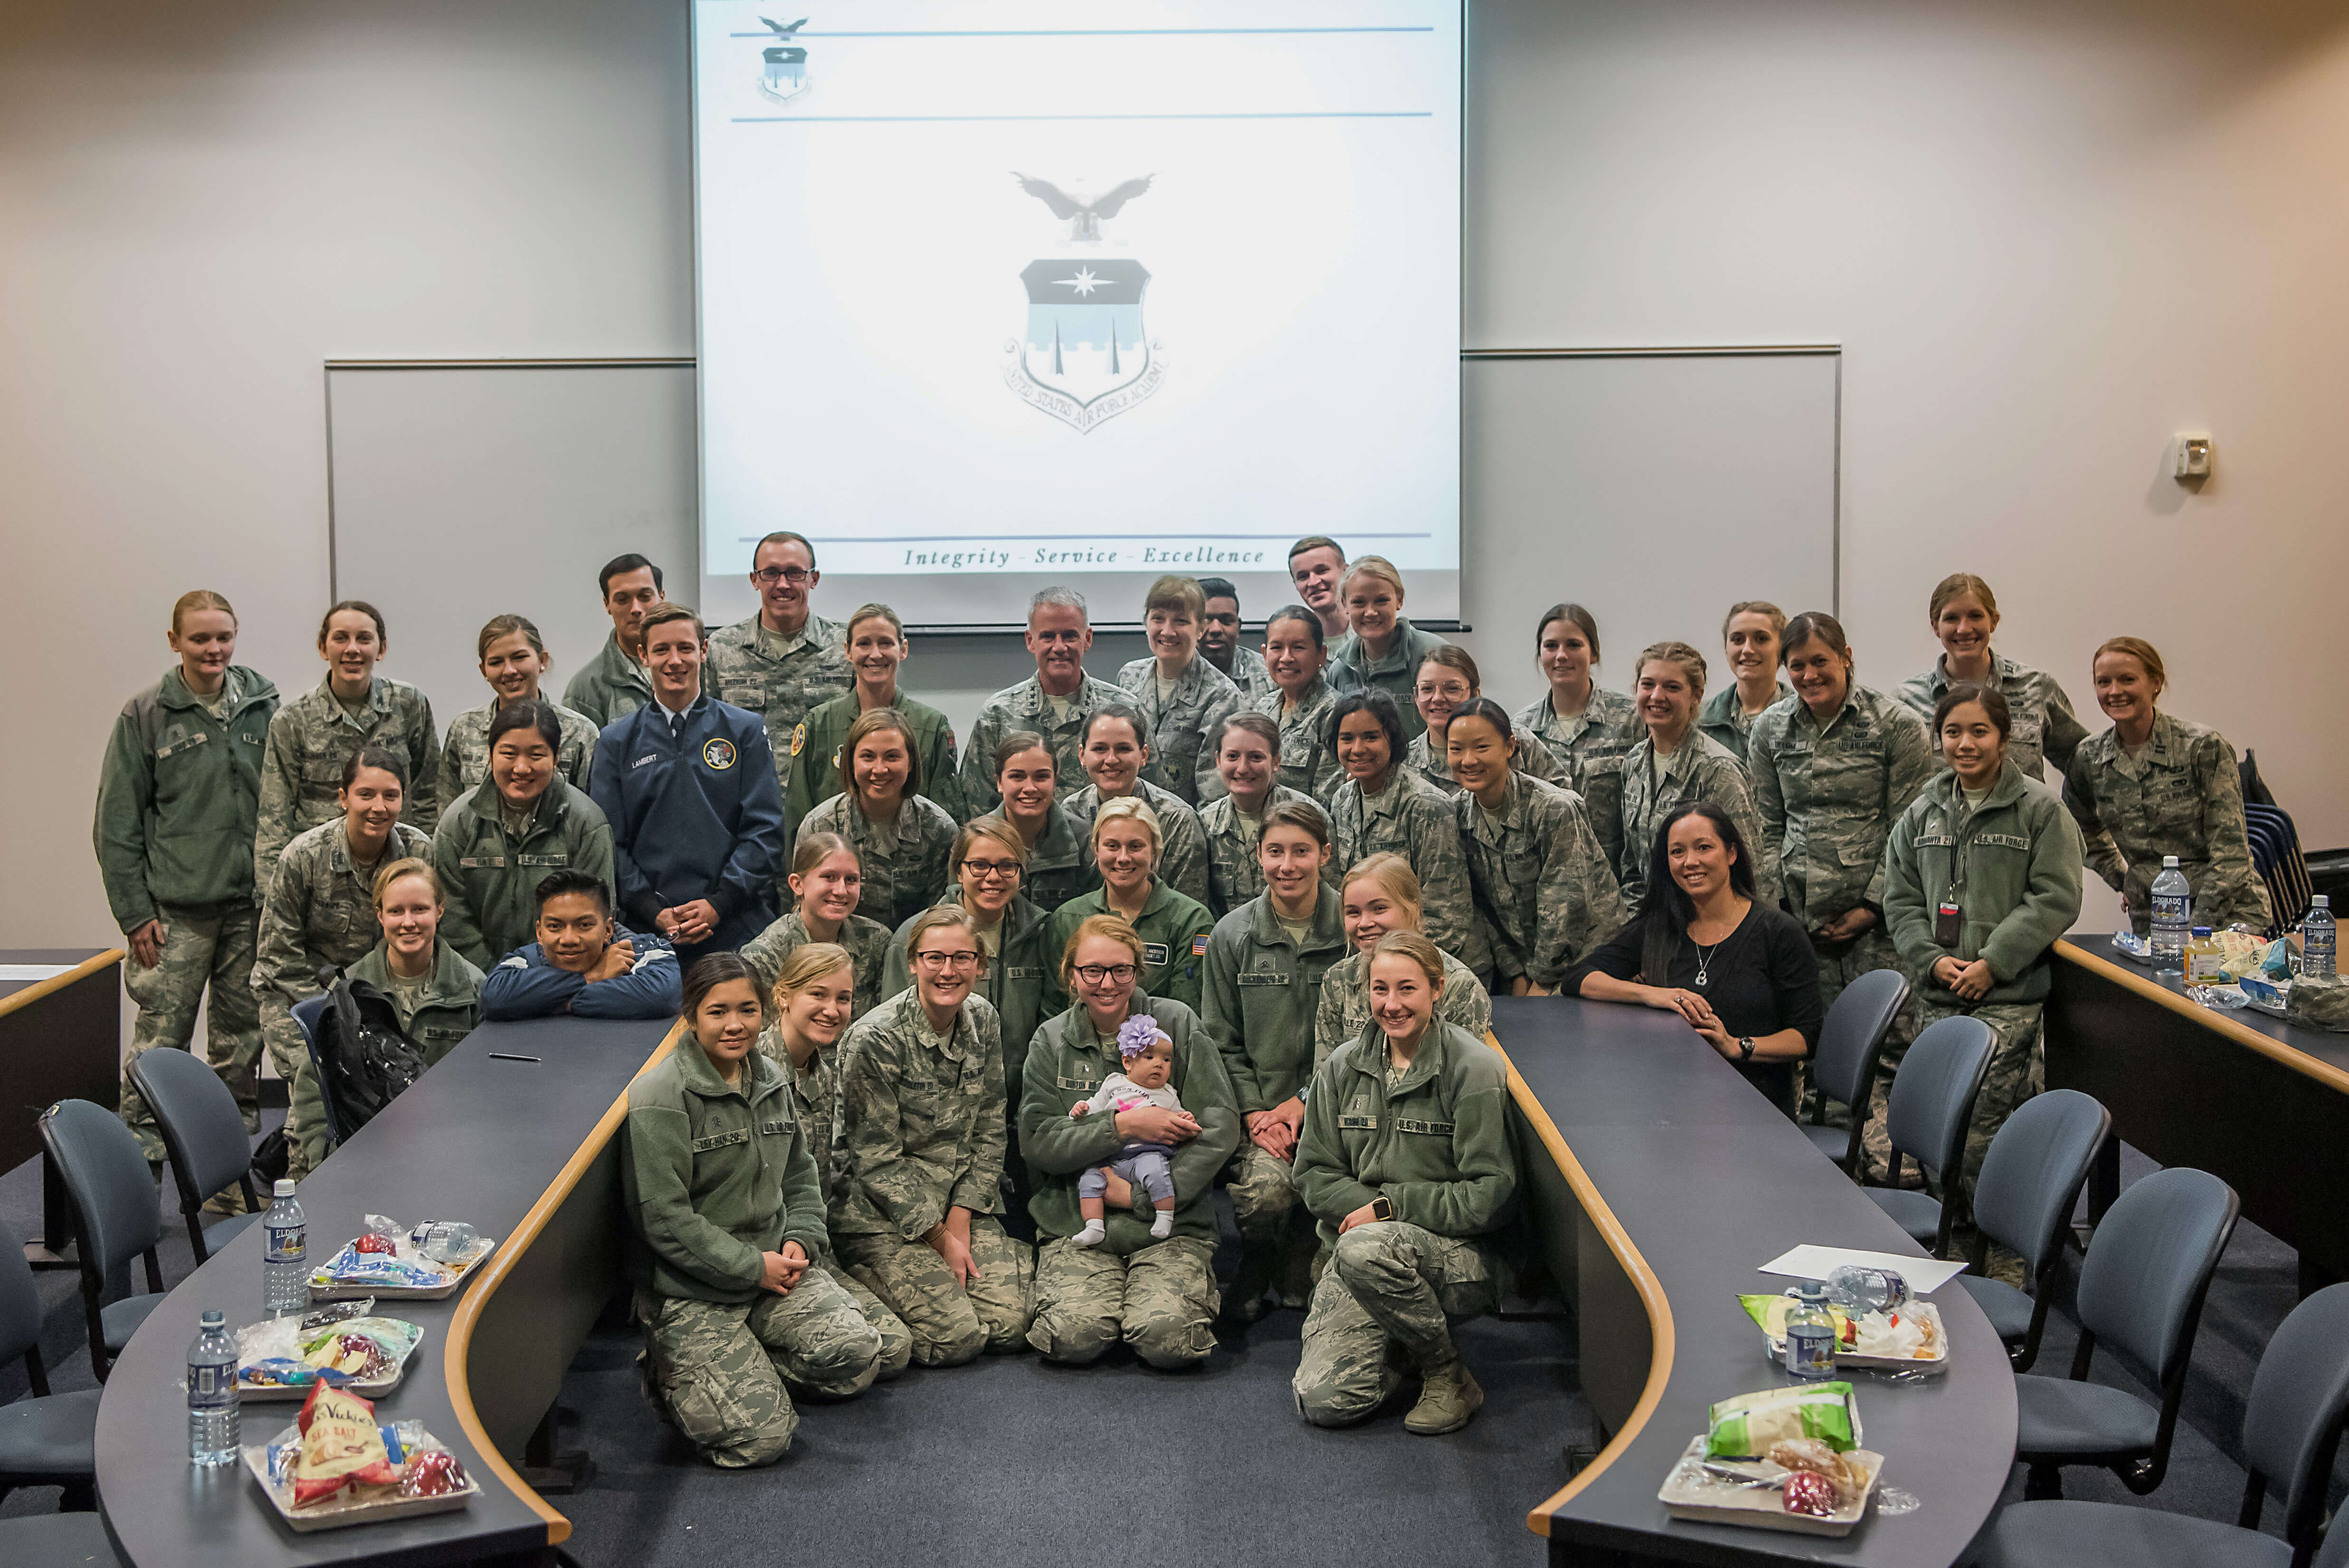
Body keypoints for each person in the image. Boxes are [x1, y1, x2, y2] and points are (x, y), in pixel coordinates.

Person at [622, 952, 884, 1468]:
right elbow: (665, 1219)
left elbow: (799, 1174)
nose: (735, 1024)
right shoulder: (660, 1095)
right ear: (691, 1015)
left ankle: (743, 1365)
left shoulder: (766, 1078)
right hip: (693, 1292)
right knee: (761, 1440)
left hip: (773, 1272)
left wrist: (800, 1239)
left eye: (747, 1009)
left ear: (765, 1011)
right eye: (718, 1011)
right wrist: (751, 1268)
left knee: (860, 1355)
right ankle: (671, 1372)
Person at [1881, 684, 2086, 1240]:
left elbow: (2054, 897)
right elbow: (1898, 897)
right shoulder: (1923, 810)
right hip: (1939, 995)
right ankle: (1958, 1237)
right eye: (1952, 731)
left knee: (1982, 1130)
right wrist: (1928, 959)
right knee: (1935, 1127)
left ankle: (2011, 1250)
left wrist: (1993, 962)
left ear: (2003, 737)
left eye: (1978, 731)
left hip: (2006, 1000)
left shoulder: (2040, 811)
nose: (1964, 743)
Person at [1292, 932, 1515, 1434]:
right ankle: (1402, 1340)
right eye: (1379, 989)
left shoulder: (1473, 1069)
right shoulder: (1341, 1066)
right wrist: (1369, 1216)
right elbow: (1312, 1173)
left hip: (1455, 1257)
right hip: (1357, 1254)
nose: (1391, 1005)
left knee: (1366, 1249)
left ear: (1436, 990)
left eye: (1406, 989)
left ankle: (1444, 1370)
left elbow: (1491, 1195)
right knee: (1324, 1402)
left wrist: (1389, 1208)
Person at [96, 590, 279, 1158]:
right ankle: (139, 1179)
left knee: (240, 1051)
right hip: (175, 917)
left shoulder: (264, 703)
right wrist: (134, 914)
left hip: (249, 911)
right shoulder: (146, 714)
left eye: (223, 637)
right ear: (174, 641)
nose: (213, 649)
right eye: (200, 638)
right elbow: (116, 824)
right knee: (158, 1050)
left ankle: (225, 1176)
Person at [1020, 917, 1238, 1367]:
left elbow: (1218, 1128)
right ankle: (1106, 1302)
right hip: (1075, 1220)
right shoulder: (1052, 1038)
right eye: (1092, 971)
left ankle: (1153, 1301)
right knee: (1073, 1339)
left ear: (1137, 972)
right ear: (1071, 974)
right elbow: (1038, 1141)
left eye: (1121, 970)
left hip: (1168, 1224)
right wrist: (1123, 1129)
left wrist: (1142, 1197)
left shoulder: (1177, 1022)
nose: (1107, 984)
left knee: (1168, 1341)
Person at [831, 907, 1034, 1367]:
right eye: (935, 958)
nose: (948, 971)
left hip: (956, 1202)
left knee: (1011, 1325)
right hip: (882, 1215)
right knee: (955, 1340)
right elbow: (875, 1162)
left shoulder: (982, 1019)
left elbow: (989, 1124)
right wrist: (940, 1239)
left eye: (962, 958)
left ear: (980, 965)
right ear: (914, 963)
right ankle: (854, 1274)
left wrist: (960, 1218)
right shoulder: (877, 1038)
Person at [1745, 612, 1934, 1055]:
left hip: (1878, 924)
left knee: (1886, 1047)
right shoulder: (1770, 728)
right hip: (1798, 921)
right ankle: (1817, 1128)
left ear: (1846, 657)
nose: (1809, 676)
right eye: (1796, 666)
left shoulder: (1897, 725)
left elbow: (1908, 829)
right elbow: (1766, 827)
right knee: (1809, 1043)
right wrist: (1779, 910)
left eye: (1819, 661)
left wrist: (1871, 906)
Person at [1570, 804, 1823, 1113]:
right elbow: (1579, 978)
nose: (1690, 862)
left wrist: (1737, 1046)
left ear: (1731, 854)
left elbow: (1805, 1036)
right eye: (1677, 852)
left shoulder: (1779, 932)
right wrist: (1655, 995)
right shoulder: (1658, 927)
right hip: (1667, 1093)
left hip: (1750, 1103)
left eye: (1703, 848)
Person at [251, 747, 430, 1179]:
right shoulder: (304, 856)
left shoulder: (419, 852)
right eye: (366, 794)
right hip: (300, 999)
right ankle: (300, 1182)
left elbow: (424, 935)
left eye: (390, 795)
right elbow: (279, 959)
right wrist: (335, 1024)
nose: (378, 807)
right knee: (319, 1090)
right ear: (343, 797)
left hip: (375, 999)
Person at [1202, 799, 1349, 1321]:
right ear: (1257, 855)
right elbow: (1219, 1040)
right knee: (1264, 1196)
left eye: (1301, 852)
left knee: (1314, 1279)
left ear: (1325, 854)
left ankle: (1304, 1253)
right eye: (1275, 852)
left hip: (1339, 1113)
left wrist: (1306, 1101)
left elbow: (1362, 1041)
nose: (1287, 865)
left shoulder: (1351, 931)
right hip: (1260, 1117)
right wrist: (1253, 1114)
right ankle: (1259, 1257)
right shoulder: (1232, 935)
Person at [879, 818, 1057, 1239]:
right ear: (957, 871)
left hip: (1020, 1111)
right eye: (978, 866)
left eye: (1006, 866)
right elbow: (894, 1030)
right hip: (939, 1124)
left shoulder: (1042, 930)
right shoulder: (918, 934)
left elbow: (1054, 1021)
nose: (992, 877)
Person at [590, 604, 787, 961]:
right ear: (643, 656)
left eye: (685, 648)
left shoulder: (743, 730)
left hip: (736, 925)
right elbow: (608, 843)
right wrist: (653, 909)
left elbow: (765, 831)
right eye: (661, 650)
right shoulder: (615, 741)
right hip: (647, 934)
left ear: (704, 650)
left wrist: (719, 903)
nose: (674, 661)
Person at [757, 944, 914, 1382]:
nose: (832, 1010)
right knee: (857, 1364)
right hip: (757, 1257)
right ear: (783, 996)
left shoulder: (823, 1073)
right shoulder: (750, 1069)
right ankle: (742, 1358)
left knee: (894, 1351)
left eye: (842, 999)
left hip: (807, 1248)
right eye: (817, 995)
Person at [286, 859, 484, 1173]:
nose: (408, 922)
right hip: (368, 1153)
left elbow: (489, 1089)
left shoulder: (473, 991)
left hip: (448, 1151)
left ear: (440, 911)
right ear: (380, 915)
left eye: (420, 909)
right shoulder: (349, 995)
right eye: (396, 911)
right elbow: (313, 1089)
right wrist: (331, 1161)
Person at [2064, 636, 2272, 936]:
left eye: (2127, 680)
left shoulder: (2201, 747)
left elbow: (2232, 855)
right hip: (2153, 917)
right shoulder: (2089, 758)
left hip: (2228, 915)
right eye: (2103, 682)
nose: (2114, 691)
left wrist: (2197, 931)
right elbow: (2078, 831)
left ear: (2156, 683)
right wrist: (2126, 878)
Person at [254, 601, 441, 886]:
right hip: (320, 883)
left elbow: (429, 795)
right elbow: (274, 820)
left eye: (364, 639)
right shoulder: (292, 720)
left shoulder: (408, 704)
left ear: (382, 648)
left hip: (397, 877)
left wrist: (428, 877)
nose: (352, 649)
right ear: (322, 647)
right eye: (341, 638)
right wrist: (273, 896)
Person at [1448, 699, 1621, 994]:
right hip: (1527, 963)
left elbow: (1567, 907)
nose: (1468, 760)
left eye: (1481, 747)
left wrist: (1541, 981)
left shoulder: (1554, 809)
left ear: (1510, 747)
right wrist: (1515, 973)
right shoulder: (1456, 815)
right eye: (1456, 749)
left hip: (1591, 956)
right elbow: (1480, 909)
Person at [431, 702, 615, 970]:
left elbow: (596, 916)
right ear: (490, 756)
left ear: (556, 757)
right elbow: (453, 918)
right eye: (509, 753)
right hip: (478, 980)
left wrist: (542, 984)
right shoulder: (458, 823)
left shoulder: (587, 824)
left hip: (565, 978)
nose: (521, 768)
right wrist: (497, 979)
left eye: (536, 755)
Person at [1323, 689, 1483, 974]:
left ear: (1393, 740)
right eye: (1347, 738)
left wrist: (1398, 970)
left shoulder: (1426, 806)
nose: (1357, 749)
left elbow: (1446, 916)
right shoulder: (1342, 800)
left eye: (1371, 737)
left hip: (1436, 968)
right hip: (1375, 964)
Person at [1615, 642, 1776, 917]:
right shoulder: (1634, 763)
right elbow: (1633, 866)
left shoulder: (1718, 770)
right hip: (1654, 928)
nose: (1657, 696)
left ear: (1697, 696)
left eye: (1672, 687)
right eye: (1648, 685)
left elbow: (1751, 873)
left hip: (1712, 926)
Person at [1898, 573, 2088, 783]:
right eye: (1951, 618)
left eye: (1975, 616)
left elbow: (2084, 766)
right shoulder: (1907, 700)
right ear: (1935, 626)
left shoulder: (2036, 687)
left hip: (2023, 816)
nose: (1964, 629)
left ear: (1994, 621)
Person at [958, 588, 1126, 817]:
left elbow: (1149, 797)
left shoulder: (1124, 710)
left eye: (1070, 636)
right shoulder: (997, 714)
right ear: (1030, 641)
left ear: (1087, 639)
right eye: (1048, 636)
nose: (1059, 647)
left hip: (1107, 848)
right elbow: (977, 808)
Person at [709, 531, 853, 797]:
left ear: (814, 579)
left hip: (827, 805)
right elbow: (705, 732)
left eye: (795, 573)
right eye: (771, 573)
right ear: (755, 580)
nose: (783, 584)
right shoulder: (722, 648)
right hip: (747, 806)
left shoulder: (846, 647)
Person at [786, 603, 959, 824]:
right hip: (833, 855)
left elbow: (949, 821)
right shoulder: (819, 724)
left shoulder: (932, 727)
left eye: (886, 643)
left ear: (903, 649)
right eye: (864, 644)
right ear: (848, 651)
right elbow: (798, 819)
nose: (875, 655)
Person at [1314, 854, 1491, 1069]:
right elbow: (1326, 1077)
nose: (1364, 923)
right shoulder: (1338, 980)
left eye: (1379, 908)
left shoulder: (1461, 987)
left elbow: (1463, 1078)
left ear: (1413, 908)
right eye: (1353, 912)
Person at [793, 708, 957, 931]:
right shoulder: (821, 826)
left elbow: (946, 916)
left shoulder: (940, 829)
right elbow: (804, 913)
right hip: (837, 955)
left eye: (892, 757)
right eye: (868, 757)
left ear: (910, 763)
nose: (879, 769)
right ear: (850, 762)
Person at [1048, 798, 1215, 1012]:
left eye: (1136, 847)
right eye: (1112, 846)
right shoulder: (1068, 918)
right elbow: (1053, 1007)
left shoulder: (1191, 920)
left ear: (1154, 850)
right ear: (1096, 849)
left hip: (1162, 1042)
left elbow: (1186, 1011)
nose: (1123, 858)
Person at [1515, 604, 1643, 871]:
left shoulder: (1631, 719)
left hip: (1618, 883)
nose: (1561, 655)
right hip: (1551, 882)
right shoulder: (1521, 730)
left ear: (1594, 653)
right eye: (1551, 646)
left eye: (1574, 645)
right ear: (1540, 654)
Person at [479, 868, 682, 1020]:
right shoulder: (527, 958)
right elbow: (494, 998)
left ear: (608, 929)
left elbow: (661, 997)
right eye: (555, 926)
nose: (569, 939)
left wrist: (557, 1003)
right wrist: (591, 977)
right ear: (539, 933)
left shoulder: (645, 950)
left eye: (584, 925)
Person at [437, 615, 599, 803]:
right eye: (496, 662)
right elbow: (448, 807)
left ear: (542, 661)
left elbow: (591, 811)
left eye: (519, 658)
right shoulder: (464, 729)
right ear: (484, 671)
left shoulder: (580, 733)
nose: (509, 670)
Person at [1116, 574, 1244, 807]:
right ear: (1146, 624)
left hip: (1185, 831)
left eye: (1181, 621)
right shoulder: (1129, 678)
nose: (1167, 631)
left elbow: (1214, 797)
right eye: (1158, 619)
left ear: (1201, 629)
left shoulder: (1223, 697)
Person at [1063, 705, 1212, 904]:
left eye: (1124, 749)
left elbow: (1187, 908)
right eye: (1100, 749)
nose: (1111, 759)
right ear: (1082, 756)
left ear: (1143, 756)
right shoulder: (1070, 814)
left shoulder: (1177, 820)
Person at [741, 833, 893, 1020]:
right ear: (798, 885)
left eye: (852, 880)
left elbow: (886, 1020)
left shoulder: (876, 940)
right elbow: (758, 1036)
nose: (841, 891)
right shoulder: (765, 956)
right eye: (829, 877)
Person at [1068, 1019, 1186, 1245]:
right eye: (1150, 1057)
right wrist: (1081, 1109)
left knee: (1156, 1174)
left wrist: (1185, 1119)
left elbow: (1178, 1119)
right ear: (1127, 1062)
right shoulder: (1114, 1083)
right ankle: (1094, 1225)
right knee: (1089, 1181)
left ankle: (1164, 1216)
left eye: (1166, 1059)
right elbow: (1095, 1106)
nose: (1159, 1064)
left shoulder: (1168, 1093)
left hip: (1146, 1153)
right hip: (1110, 1154)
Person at [1199, 712, 1318, 917]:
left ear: (1276, 762)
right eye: (1232, 757)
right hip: (1229, 942)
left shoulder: (1310, 817)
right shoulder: (1204, 824)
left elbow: (1332, 892)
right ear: (1218, 761)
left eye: (1256, 757)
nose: (1243, 768)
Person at [1405, 645, 1561, 793]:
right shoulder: (1405, 761)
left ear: (1475, 694)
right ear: (1416, 697)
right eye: (1427, 689)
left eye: (1452, 689)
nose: (1438, 698)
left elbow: (1563, 796)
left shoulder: (1514, 739)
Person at [1328, 556, 1448, 742]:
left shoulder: (1434, 656)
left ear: (1399, 600)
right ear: (1344, 605)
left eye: (1381, 601)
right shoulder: (1340, 670)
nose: (1370, 612)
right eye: (1359, 603)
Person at [986, 731, 1090, 915]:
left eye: (1041, 777)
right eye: (1017, 777)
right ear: (999, 782)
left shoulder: (1083, 841)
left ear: (1055, 781)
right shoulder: (976, 841)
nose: (1030, 788)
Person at [1251, 604, 1346, 802]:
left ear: (1322, 654)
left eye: (1299, 648)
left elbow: (1327, 799)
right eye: (1277, 647)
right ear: (1264, 653)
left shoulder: (1335, 713)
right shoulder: (1262, 707)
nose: (1287, 658)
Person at [563, 554, 665, 728]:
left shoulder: (694, 666)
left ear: (661, 597)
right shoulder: (586, 689)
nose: (636, 609)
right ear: (607, 604)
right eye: (622, 600)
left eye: (645, 596)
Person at [1698, 602, 1794, 762]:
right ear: (1726, 648)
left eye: (1762, 639)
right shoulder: (1701, 721)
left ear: (1782, 647)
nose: (1748, 649)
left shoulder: (1804, 717)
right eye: (1738, 640)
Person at [1198, 575, 1276, 704]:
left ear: (1239, 627)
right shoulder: (1168, 673)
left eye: (1227, 621)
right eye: (1206, 620)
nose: (1216, 629)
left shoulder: (1270, 674)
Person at [1286, 535, 1351, 646]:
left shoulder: (1376, 633)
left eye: (1321, 571)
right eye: (1303, 576)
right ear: (1296, 585)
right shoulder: (1295, 645)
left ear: (1345, 572)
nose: (1313, 582)